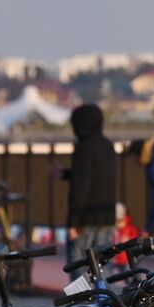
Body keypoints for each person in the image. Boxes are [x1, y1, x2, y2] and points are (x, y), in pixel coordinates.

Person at [64, 103, 119, 268]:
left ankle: (84, 295)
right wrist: (66, 174)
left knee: (79, 268)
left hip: (85, 219)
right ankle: (103, 295)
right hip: (107, 215)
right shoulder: (107, 145)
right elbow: (97, 176)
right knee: (103, 268)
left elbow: (82, 185)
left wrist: (73, 222)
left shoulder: (84, 148)